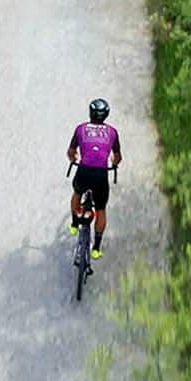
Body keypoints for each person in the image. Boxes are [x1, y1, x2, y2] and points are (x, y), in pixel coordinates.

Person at [67, 98, 120, 260]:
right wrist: (114, 164)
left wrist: (74, 159)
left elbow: (71, 152)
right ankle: (96, 248)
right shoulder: (112, 132)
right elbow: (117, 157)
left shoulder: (80, 129)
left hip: (84, 171)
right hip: (100, 174)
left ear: (90, 113)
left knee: (77, 192)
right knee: (101, 209)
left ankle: (75, 223)